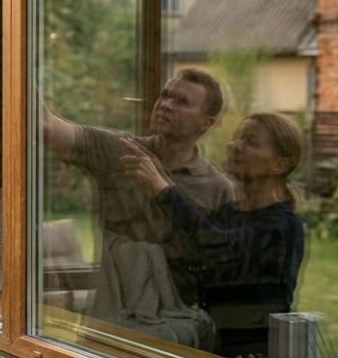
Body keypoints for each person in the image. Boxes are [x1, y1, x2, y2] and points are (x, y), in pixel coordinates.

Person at [42, 68, 235, 340]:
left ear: (206, 123)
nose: (165, 104)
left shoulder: (218, 188)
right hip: (108, 331)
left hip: (179, 340)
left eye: (182, 101)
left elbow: (222, 274)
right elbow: (47, 128)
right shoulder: (118, 150)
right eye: (165, 95)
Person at [120, 111, 306, 358]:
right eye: (237, 137)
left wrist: (162, 189)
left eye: (250, 142)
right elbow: (196, 257)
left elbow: (217, 246)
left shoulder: (281, 225)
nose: (235, 146)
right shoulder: (229, 212)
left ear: (280, 165)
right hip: (215, 349)